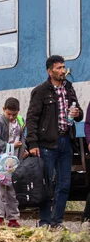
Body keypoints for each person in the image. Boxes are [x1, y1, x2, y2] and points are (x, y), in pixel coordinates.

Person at [26, 55, 83, 230]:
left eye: (63, 67)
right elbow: (32, 118)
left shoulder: (69, 88)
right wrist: (32, 143)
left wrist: (77, 114)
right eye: (58, 68)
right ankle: (44, 221)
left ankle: (56, 221)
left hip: (66, 140)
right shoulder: (41, 91)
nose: (62, 71)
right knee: (46, 184)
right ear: (50, 71)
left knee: (64, 184)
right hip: (46, 144)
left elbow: (79, 113)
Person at [0, 97, 27, 227]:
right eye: (8, 114)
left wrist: (23, 150)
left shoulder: (21, 121)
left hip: (14, 162)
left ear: (18, 111)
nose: (11, 117)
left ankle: (13, 219)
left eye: (14, 114)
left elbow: (22, 138)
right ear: (3, 109)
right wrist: (11, 146)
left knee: (12, 190)